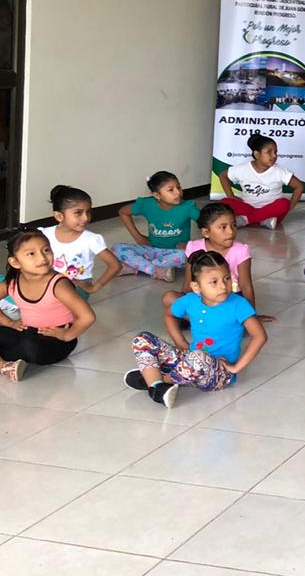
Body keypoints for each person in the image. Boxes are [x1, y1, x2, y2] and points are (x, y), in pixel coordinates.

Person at [126, 251, 267, 408]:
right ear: (196, 287)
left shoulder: (239, 304)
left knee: (199, 358)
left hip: (219, 373)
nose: (223, 286)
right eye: (214, 282)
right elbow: (169, 315)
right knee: (142, 339)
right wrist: (180, 342)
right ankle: (157, 387)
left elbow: (260, 336)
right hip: (190, 360)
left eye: (227, 278)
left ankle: (157, 381)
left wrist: (236, 368)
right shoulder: (190, 300)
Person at [0, 229, 95, 381]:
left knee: (30, 346)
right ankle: (1, 365)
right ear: (15, 262)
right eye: (31, 253)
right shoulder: (11, 283)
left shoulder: (58, 284)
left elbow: (87, 316)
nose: (42, 257)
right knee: (23, 343)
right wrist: (9, 323)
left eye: (46, 250)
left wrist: (66, 335)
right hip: (26, 333)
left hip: (54, 342)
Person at [162, 202, 258, 316]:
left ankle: (203, 318)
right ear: (206, 232)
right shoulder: (194, 247)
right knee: (169, 297)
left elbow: (246, 286)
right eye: (223, 227)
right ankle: (204, 317)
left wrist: (252, 315)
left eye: (234, 225)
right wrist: (187, 302)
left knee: (230, 312)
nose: (231, 231)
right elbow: (188, 283)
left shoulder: (240, 251)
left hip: (227, 299)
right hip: (201, 298)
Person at [111, 170, 200, 282]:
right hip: (151, 250)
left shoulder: (188, 207)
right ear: (157, 195)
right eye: (171, 190)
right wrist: (138, 237)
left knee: (184, 255)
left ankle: (137, 267)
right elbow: (123, 212)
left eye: (179, 187)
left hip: (175, 253)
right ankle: (157, 270)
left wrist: (191, 245)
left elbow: (209, 225)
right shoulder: (147, 204)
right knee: (117, 248)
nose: (178, 192)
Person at [41, 184, 121, 297]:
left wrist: (94, 287)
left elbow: (115, 265)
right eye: (78, 213)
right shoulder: (44, 234)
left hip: (76, 289)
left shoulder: (91, 240)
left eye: (88, 212)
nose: (86, 218)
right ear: (59, 216)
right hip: (48, 283)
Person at [218, 133, 303, 229]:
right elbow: (223, 176)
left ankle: (246, 220)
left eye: (275, 152)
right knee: (224, 202)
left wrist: (288, 208)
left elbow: (299, 186)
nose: (274, 155)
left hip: (272, 212)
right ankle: (262, 219)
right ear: (257, 154)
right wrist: (231, 196)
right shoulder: (242, 168)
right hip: (248, 208)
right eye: (269, 152)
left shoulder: (280, 171)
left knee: (284, 203)